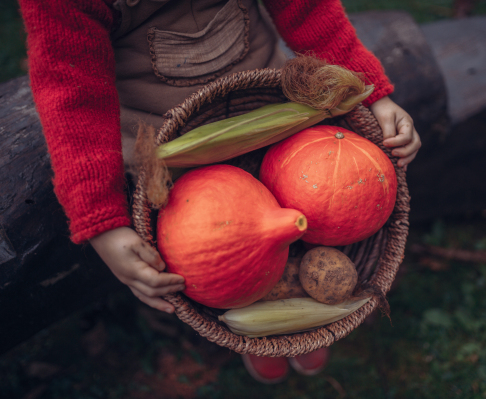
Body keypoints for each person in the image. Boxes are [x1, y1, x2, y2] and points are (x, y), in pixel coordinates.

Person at [19, 0, 421, 384]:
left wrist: (368, 91)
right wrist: (102, 222)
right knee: (213, 252)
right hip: (165, 147)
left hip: (269, 113)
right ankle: (254, 323)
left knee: (289, 214)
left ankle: (294, 318)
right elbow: (72, 92)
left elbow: (309, 10)